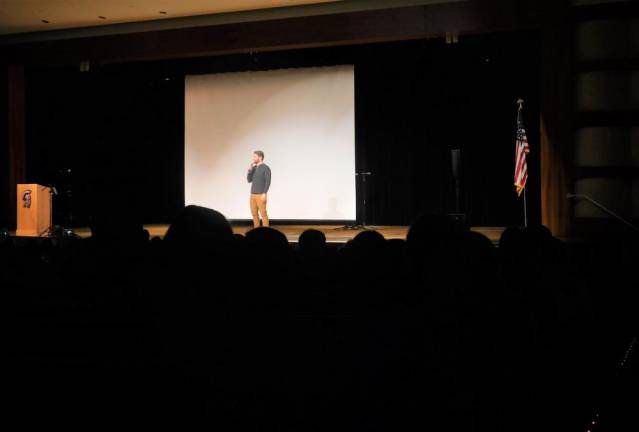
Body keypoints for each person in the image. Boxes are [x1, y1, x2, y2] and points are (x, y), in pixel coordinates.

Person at [247, 150, 271, 227]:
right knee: (254, 214)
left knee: (263, 214)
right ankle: (256, 231)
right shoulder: (254, 168)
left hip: (260, 195)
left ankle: (266, 232)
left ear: (260, 157)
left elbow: (268, 182)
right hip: (252, 195)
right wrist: (250, 171)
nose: (253, 158)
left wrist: (264, 193)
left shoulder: (266, 168)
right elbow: (249, 180)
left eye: (255, 156)